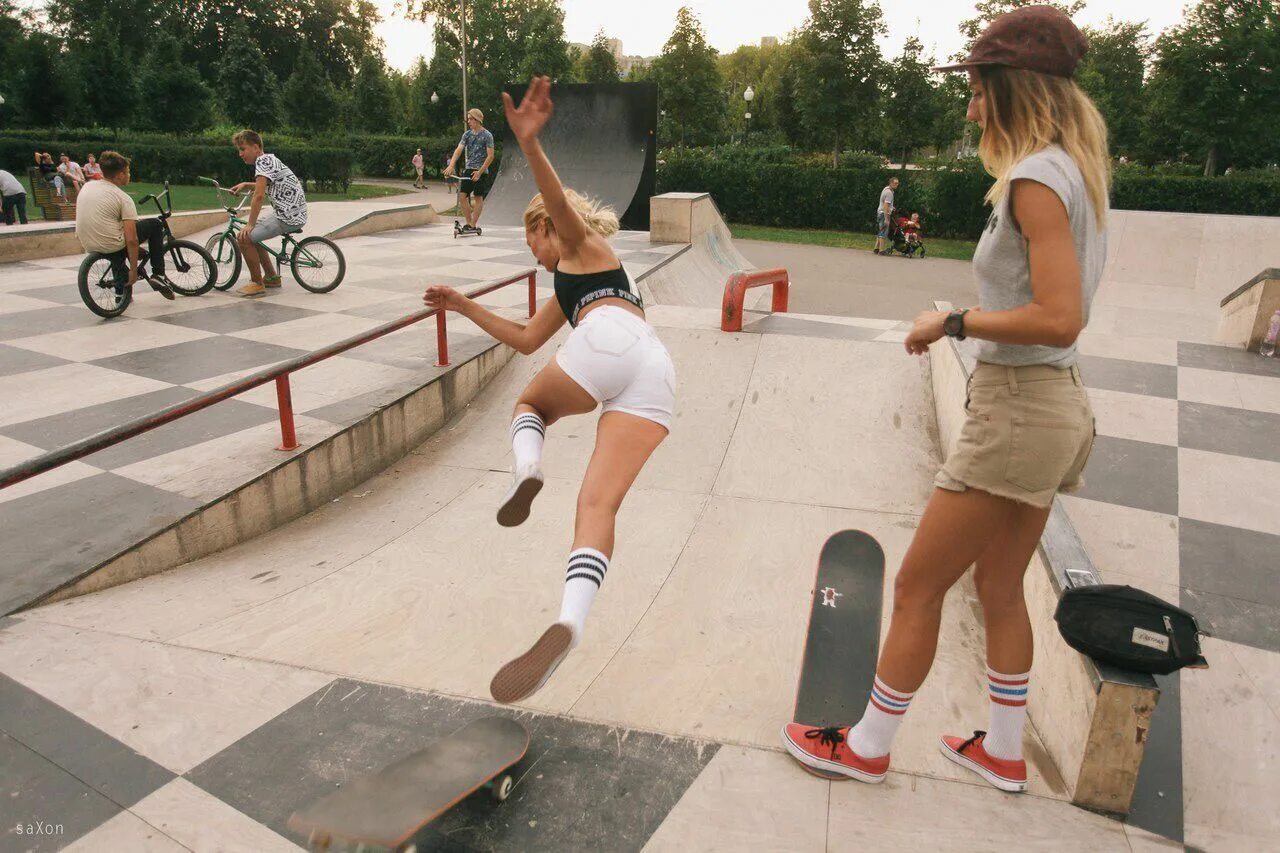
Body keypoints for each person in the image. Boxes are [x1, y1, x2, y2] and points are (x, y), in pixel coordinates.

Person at [781, 6, 1106, 795]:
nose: (968, 103)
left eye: (977, 87)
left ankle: (865, 744)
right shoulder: (1072, 170)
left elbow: (1062, 313)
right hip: (1054, 403)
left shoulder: (1035, 181)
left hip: (1019, 407)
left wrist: (953, 320)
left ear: (1012, 88)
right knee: (998, 585)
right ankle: (1000, 749)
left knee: (917, 585)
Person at [423, 77, 676, 705]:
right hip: (653, 367)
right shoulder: (582, 280)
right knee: (597, 508)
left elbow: (557, 203)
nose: (534, 255)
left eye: (530, 241)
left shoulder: (578, 246)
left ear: (543, 229)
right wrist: (462, 304)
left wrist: (530, 144)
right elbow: (525, 338)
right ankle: (570, 621)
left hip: (607, 340)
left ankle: (527, 471)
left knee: (529, 406)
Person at [74, 150, 176, 300]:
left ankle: (120, 294)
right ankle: (159, 274)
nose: (129, 175)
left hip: (87, 242)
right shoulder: (123, 198)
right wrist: (133, 271)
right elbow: (132, 239)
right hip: (111, 243)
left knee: (115, 239)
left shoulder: (88, 186)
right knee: (154, 224)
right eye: (128, 172)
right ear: (120, 174)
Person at [227, 129, 308, 298]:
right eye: (239, 150)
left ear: (256, 147)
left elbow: (259, 196)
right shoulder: (269, 159)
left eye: (243, 149)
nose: (240, 154)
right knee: (254, 235)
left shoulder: (262, 162)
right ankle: (271, 277)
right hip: (293, 212)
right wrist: (245, 184)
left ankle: (257, 283)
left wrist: (249, 224)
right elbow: (264, 184)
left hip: (288, 215)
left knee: (244, 238)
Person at [442, 108, 495, 233]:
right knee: (462, 196)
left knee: (478, 197)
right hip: (469, 168)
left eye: (471, 119)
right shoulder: (467, 134)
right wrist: (451, 166)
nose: (468, 121)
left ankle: (473, 223)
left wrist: (480, 172)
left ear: (477, 120)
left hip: (481, 170)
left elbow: (491, 156)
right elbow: (459, 150)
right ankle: (469, 222)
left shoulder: (487, 135)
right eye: (468, 119)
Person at [873, 177, 899, 254]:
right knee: (884, 231)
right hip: (883, 213)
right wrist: (886, 218)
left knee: (881, 230)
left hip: (880, 212)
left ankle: (876, 248)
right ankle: (881, 250)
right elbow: (885, 205)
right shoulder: (889, 193)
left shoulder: (886, 189)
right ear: (890, 183)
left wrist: (892, 207)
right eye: (895, 183)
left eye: (897, 183)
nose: (897, 185)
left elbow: (886, 203)